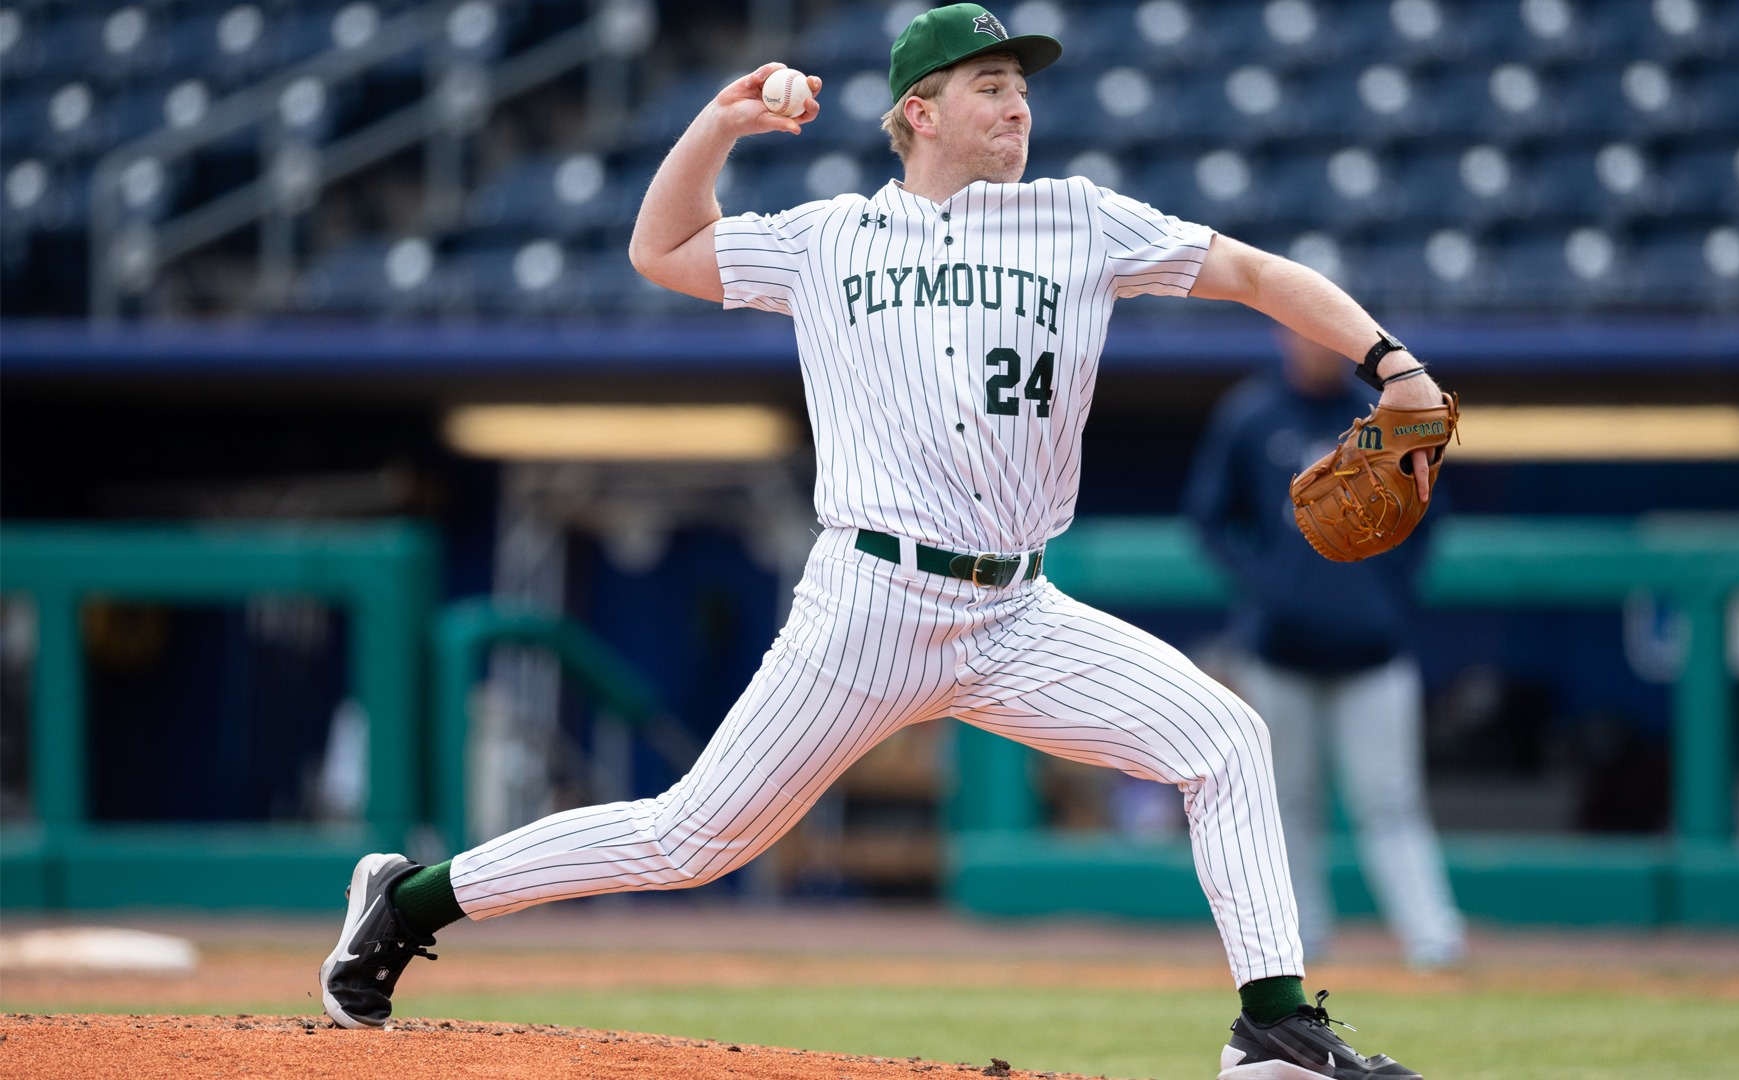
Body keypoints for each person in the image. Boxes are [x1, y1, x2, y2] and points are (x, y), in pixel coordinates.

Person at [319, 7, 1442, 1077]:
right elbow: (660, 249)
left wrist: (1389, 360)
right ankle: (408, 901)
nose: (1018, 109)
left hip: (1018, 612)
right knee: (688, 841)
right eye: (990, 88)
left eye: (1022, 90)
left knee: (1227, 743)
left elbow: (1251, 272)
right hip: (870, 605)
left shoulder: (1082, 218)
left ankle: (1274, 1032)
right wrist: (722, 123)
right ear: (919, 110)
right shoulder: (831, 239)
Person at [1185, 329, 1467, 972]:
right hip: (1280, 647)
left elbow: (1430, 516)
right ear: (1284, 337)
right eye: (1302, 335)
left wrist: (1387, 595)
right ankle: (1303, 938)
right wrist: (1267, 585)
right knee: (1287, 801)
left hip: (1373, 648)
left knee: (1390, 801)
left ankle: (1433, 939)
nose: (1315, 349)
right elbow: (1206, 516)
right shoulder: (1251, 413)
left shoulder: (1383, 420)